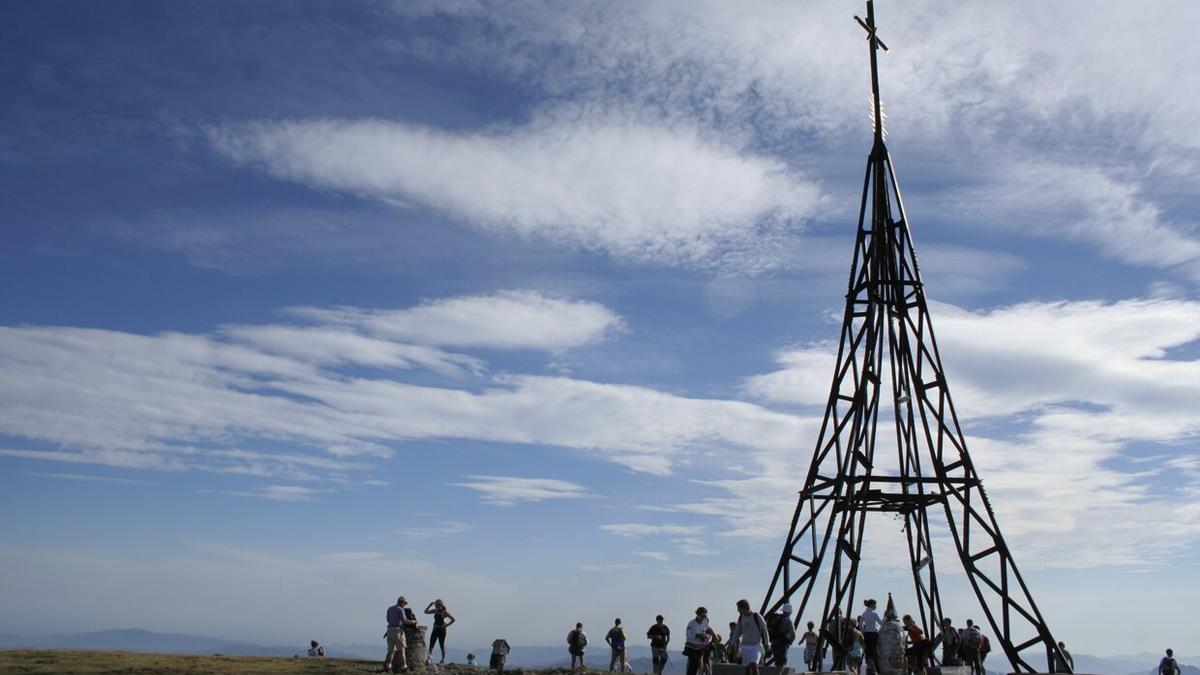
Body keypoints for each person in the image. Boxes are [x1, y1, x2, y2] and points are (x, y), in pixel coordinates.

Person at [731, 598, 771, 675]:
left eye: (739, 608)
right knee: (747, 668)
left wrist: (767, 642)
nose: (738, 610)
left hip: (756, 645)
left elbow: (764, 629)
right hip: (745, 646)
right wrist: (733, 643)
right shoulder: (741, 618)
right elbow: (737, 632)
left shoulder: (756, 616)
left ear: (744, 608)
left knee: (754, 665)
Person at [875, 597, 905, 675]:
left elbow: (878, 642)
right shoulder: (898, 626)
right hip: (896, 658)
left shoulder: (882, 627)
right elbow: (902, 640)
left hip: (884, 659)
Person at [425, 599, 457, 664]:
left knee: (441, 644)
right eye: (435, 605)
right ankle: (429, 658)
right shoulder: (435, 611)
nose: (436, 606)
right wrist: (429, 605)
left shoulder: (444, 612)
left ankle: (443, 659)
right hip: (435, 629)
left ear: (440, 605)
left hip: (442, 630)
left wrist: (446, 625)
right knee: (431, 643)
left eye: (436, 605)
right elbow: (426, 612)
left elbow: (453, 619)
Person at [685, 607, 715, 675]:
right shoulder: (691, 623)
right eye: (702, 616)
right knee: (694, 662)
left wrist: (707, 638)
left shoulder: (705, 624)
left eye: (705, 616)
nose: (703, 617)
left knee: (698, 664)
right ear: (697, 614)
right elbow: (688, 635)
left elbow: (710, 635)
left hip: (700, 647)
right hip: (691, 646)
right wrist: (698, 635)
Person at [385, 596, 409, 673]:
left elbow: (388, 619)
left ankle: (388, 667)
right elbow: (404, 621)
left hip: (389, 630)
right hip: (398, 630)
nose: (405, 605)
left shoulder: (390, 608)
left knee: (390, 651)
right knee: (402, 650)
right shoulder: (400, 609)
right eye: (404, 603)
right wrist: (413, 622)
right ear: (401, 602)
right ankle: (404, 668)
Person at [768, 604, 797, 668]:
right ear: (790, 612)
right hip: (782, 645)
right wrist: (789, 643)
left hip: (774, 643)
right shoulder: (788, 621)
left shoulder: (776, 618)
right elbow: (793, 635)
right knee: (781, 664)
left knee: (777, 663)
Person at [860, 599, 882, 674]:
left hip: (867, 634)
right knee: (875, 650)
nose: (875, 606)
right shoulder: (874, 613)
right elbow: (881, 623)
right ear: (872, 605)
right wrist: (886, 617)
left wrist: (863, 631)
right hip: (874, 634)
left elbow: (860, 624)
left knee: (868, 650)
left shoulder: (864, 613)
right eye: (875, 605)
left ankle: (869, 665)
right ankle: (875, 666)